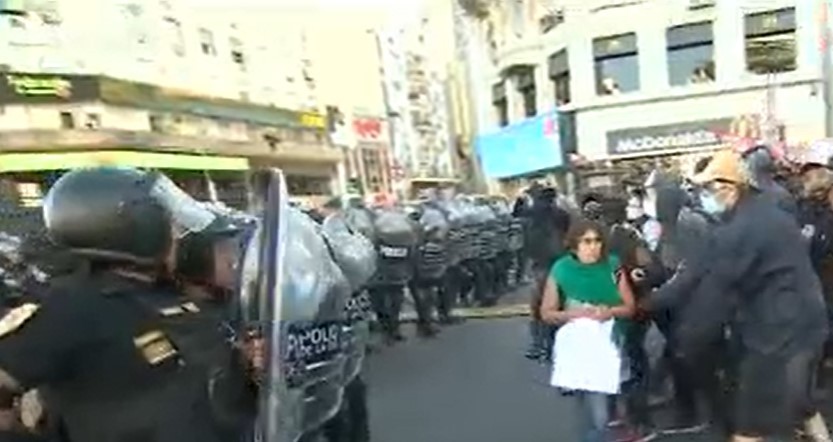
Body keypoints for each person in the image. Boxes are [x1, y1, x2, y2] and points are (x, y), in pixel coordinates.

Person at [0, 167, 259, 442]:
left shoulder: (172, 294)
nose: (179, 233)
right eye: (169, 223)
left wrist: (243, 363)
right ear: (135, 228)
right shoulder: (77, 309)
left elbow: (194, 382)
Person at [647, 150, 830, 442]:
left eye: (708, 189)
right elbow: (704, 271)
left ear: (729, 187)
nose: (703, 196)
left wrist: (690, 341)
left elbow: (717, 291)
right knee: (801, 406)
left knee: (749, 426)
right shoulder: (768, 214)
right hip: (805, 325)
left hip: (776, 335)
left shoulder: (740, 230)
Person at [540, 219, 636, 442]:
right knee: (592, 408)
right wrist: (576, 314)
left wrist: (608, 312)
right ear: (574, 245)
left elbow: (629, 307)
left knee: (602, 409)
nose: (593, 247)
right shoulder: (560, 269)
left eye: (597, 241)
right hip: (579, 346)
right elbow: (547, 313)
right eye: (587, 242)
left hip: (611, 342)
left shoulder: (613, 266)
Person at [525, 187, 571, 361]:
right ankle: (554, 344)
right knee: (560, 303)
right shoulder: (561, 215)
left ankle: (538, 344)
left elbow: (528, 242)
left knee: (538, 306)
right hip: (559, 263)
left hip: (541, 265)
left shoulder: (532, 216)